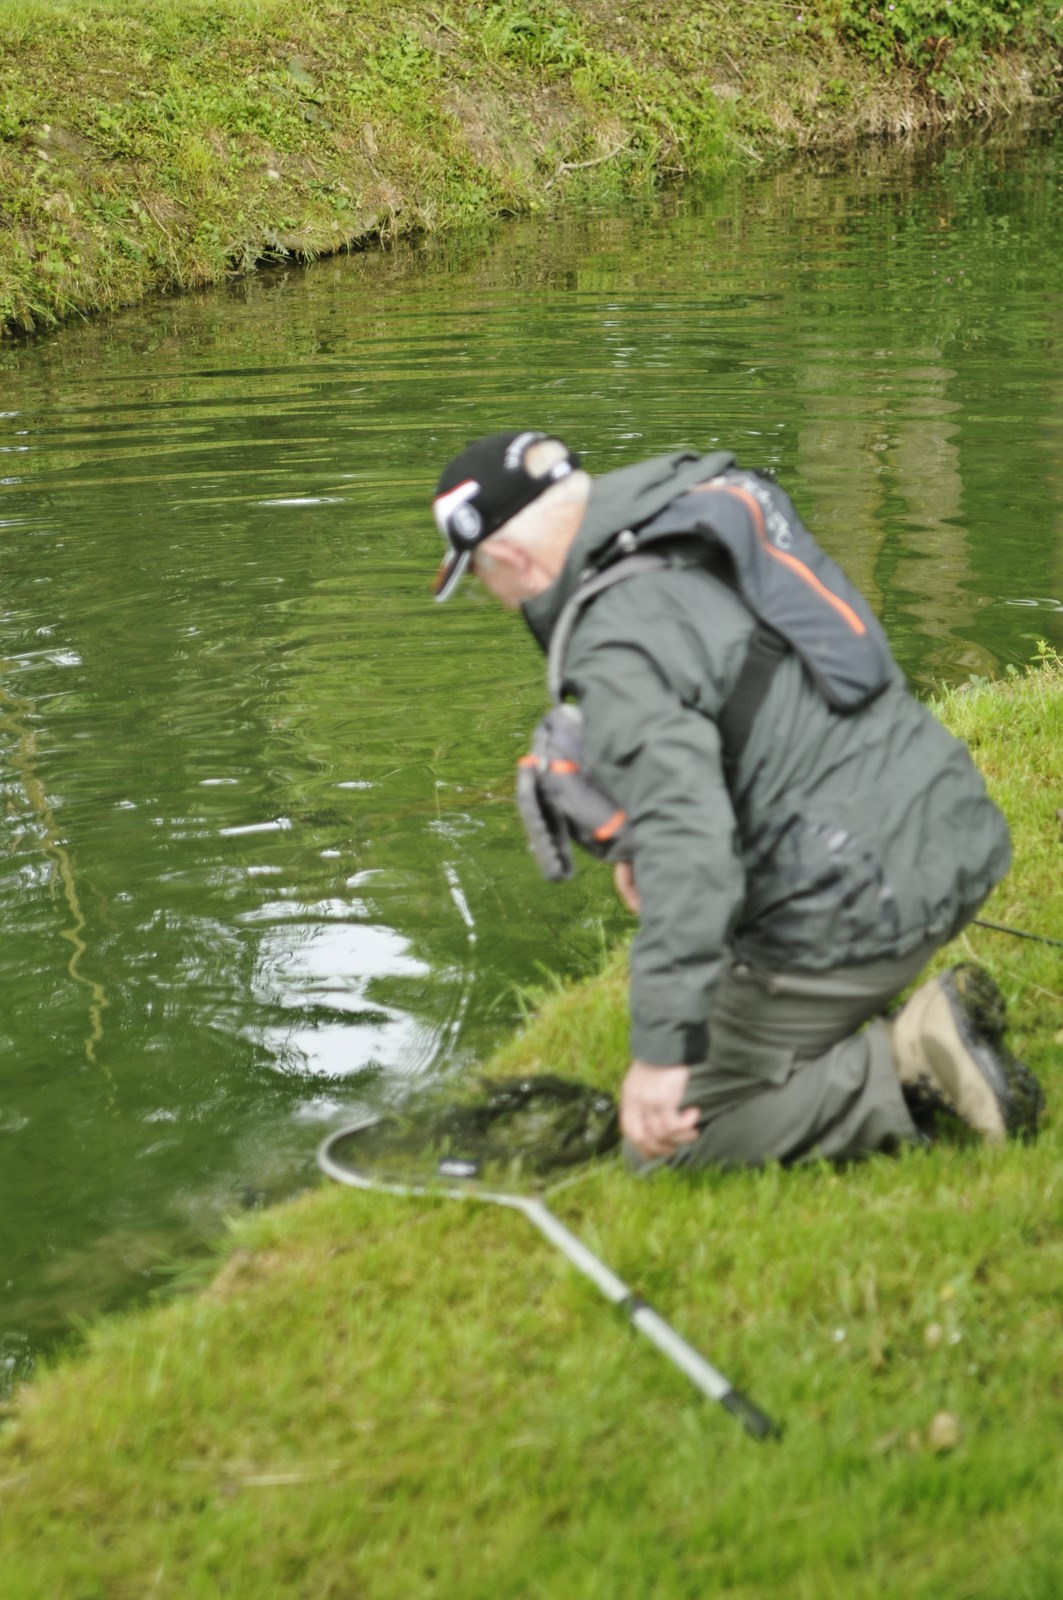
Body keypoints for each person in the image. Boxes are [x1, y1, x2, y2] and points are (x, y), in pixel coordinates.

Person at [430, 430, 1045, 1169]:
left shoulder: (612, 640)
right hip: (951, 827)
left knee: (670, 1141)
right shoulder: (693, 512)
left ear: (510, 558)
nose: (492, 595)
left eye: (478, 575)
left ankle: (908, 1056)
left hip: (870, 892)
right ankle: (851, 1010)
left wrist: (661, 1059)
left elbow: (692, 852)